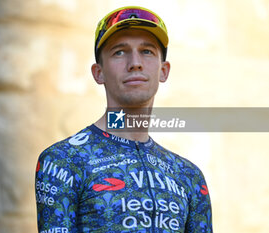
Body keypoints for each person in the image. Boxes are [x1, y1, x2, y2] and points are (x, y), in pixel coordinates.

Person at [35, 6, 213, 233]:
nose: (135, 62)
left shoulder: (189, 176)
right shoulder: (63, 161)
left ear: (164, 71)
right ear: (98, 72)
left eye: (147, 51)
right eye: (119, 52)